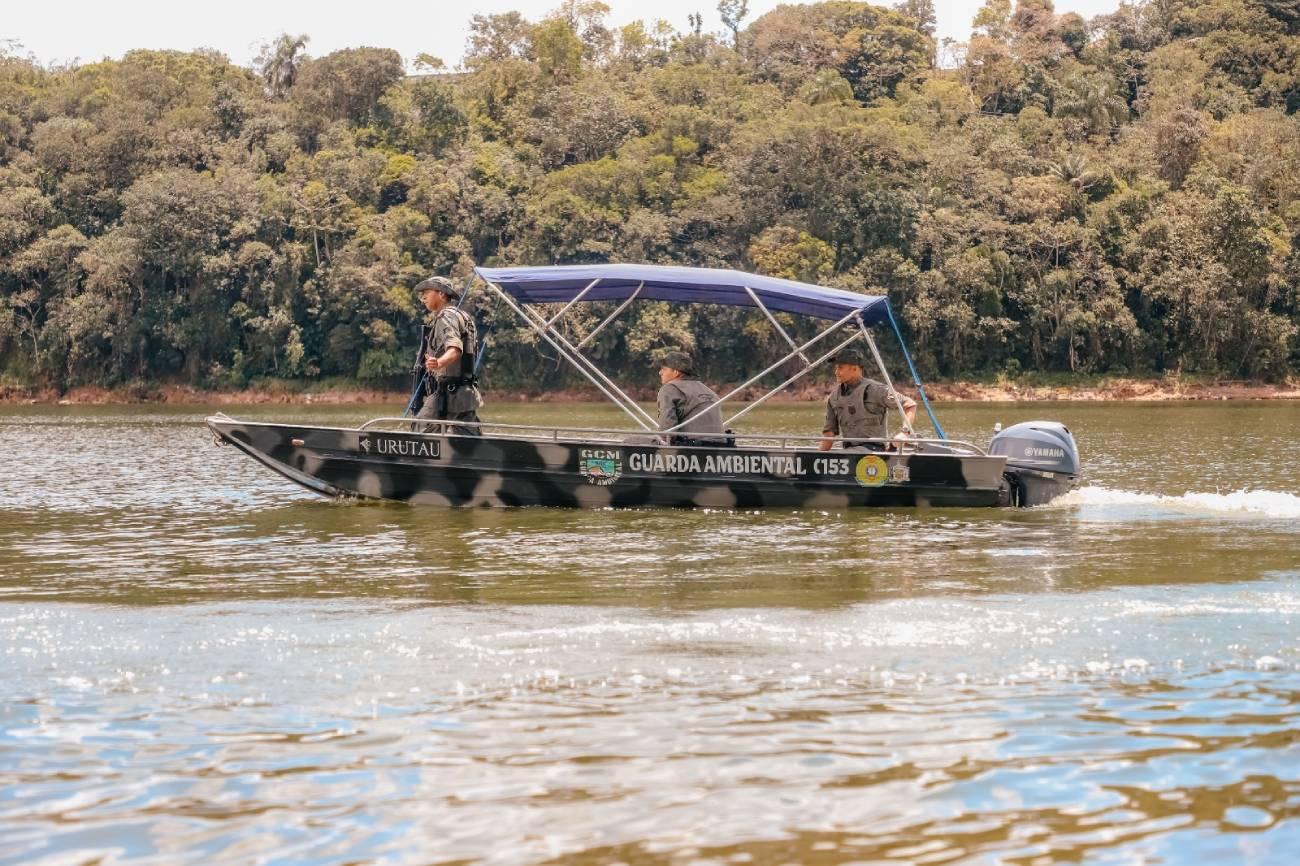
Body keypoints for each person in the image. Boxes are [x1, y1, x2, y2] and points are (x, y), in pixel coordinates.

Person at [414, 276, 482, 436]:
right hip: (463, 393)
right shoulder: (461, 316)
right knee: (469, 440)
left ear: (442, 294)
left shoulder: (446, 316)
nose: (422, 297)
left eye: (426, 292)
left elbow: (455, 349)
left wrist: (438, 362)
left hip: (449, 393)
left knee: (420, 431)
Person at [819, 348, 916, 451]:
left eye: (840, 368)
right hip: (849, 452)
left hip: (873, 452)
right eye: (836, 368)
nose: (836, 372)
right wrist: (817, 458)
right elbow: (829, 434)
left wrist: (905, 432)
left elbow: (910, 404)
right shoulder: (834, 397)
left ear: (855, 369)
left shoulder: (875, 389)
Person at [656, 350, 725, 446]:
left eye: (664, 369)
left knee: (631, 440)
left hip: (692, 448)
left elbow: (667, 428)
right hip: (722, 446)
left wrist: (661, 442)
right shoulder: (708, 391)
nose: (660, 372)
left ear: (676, 372)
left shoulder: (669, 388)